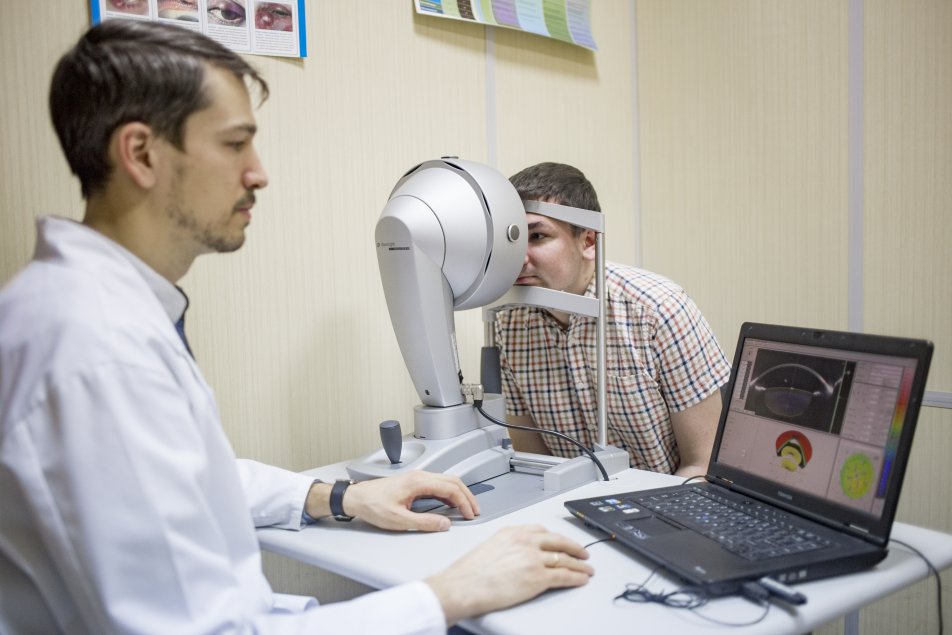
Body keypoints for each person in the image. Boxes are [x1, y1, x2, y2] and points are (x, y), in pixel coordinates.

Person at [0, 21, 593, 634]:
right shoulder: (97, 352)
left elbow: (183, 479)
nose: (258, 173)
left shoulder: (90, 309)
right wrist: (448, 594)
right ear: (141, 154)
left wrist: (336, 497)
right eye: (235, 144)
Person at [494, 162, 730, 477]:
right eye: (513, 239)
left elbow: (702, 465)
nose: (520, 258)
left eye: (537, 236)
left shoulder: (659, 310)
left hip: (667, 498)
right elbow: (533, 465)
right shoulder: (509, 324)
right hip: (566, 501)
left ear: (589, 241)